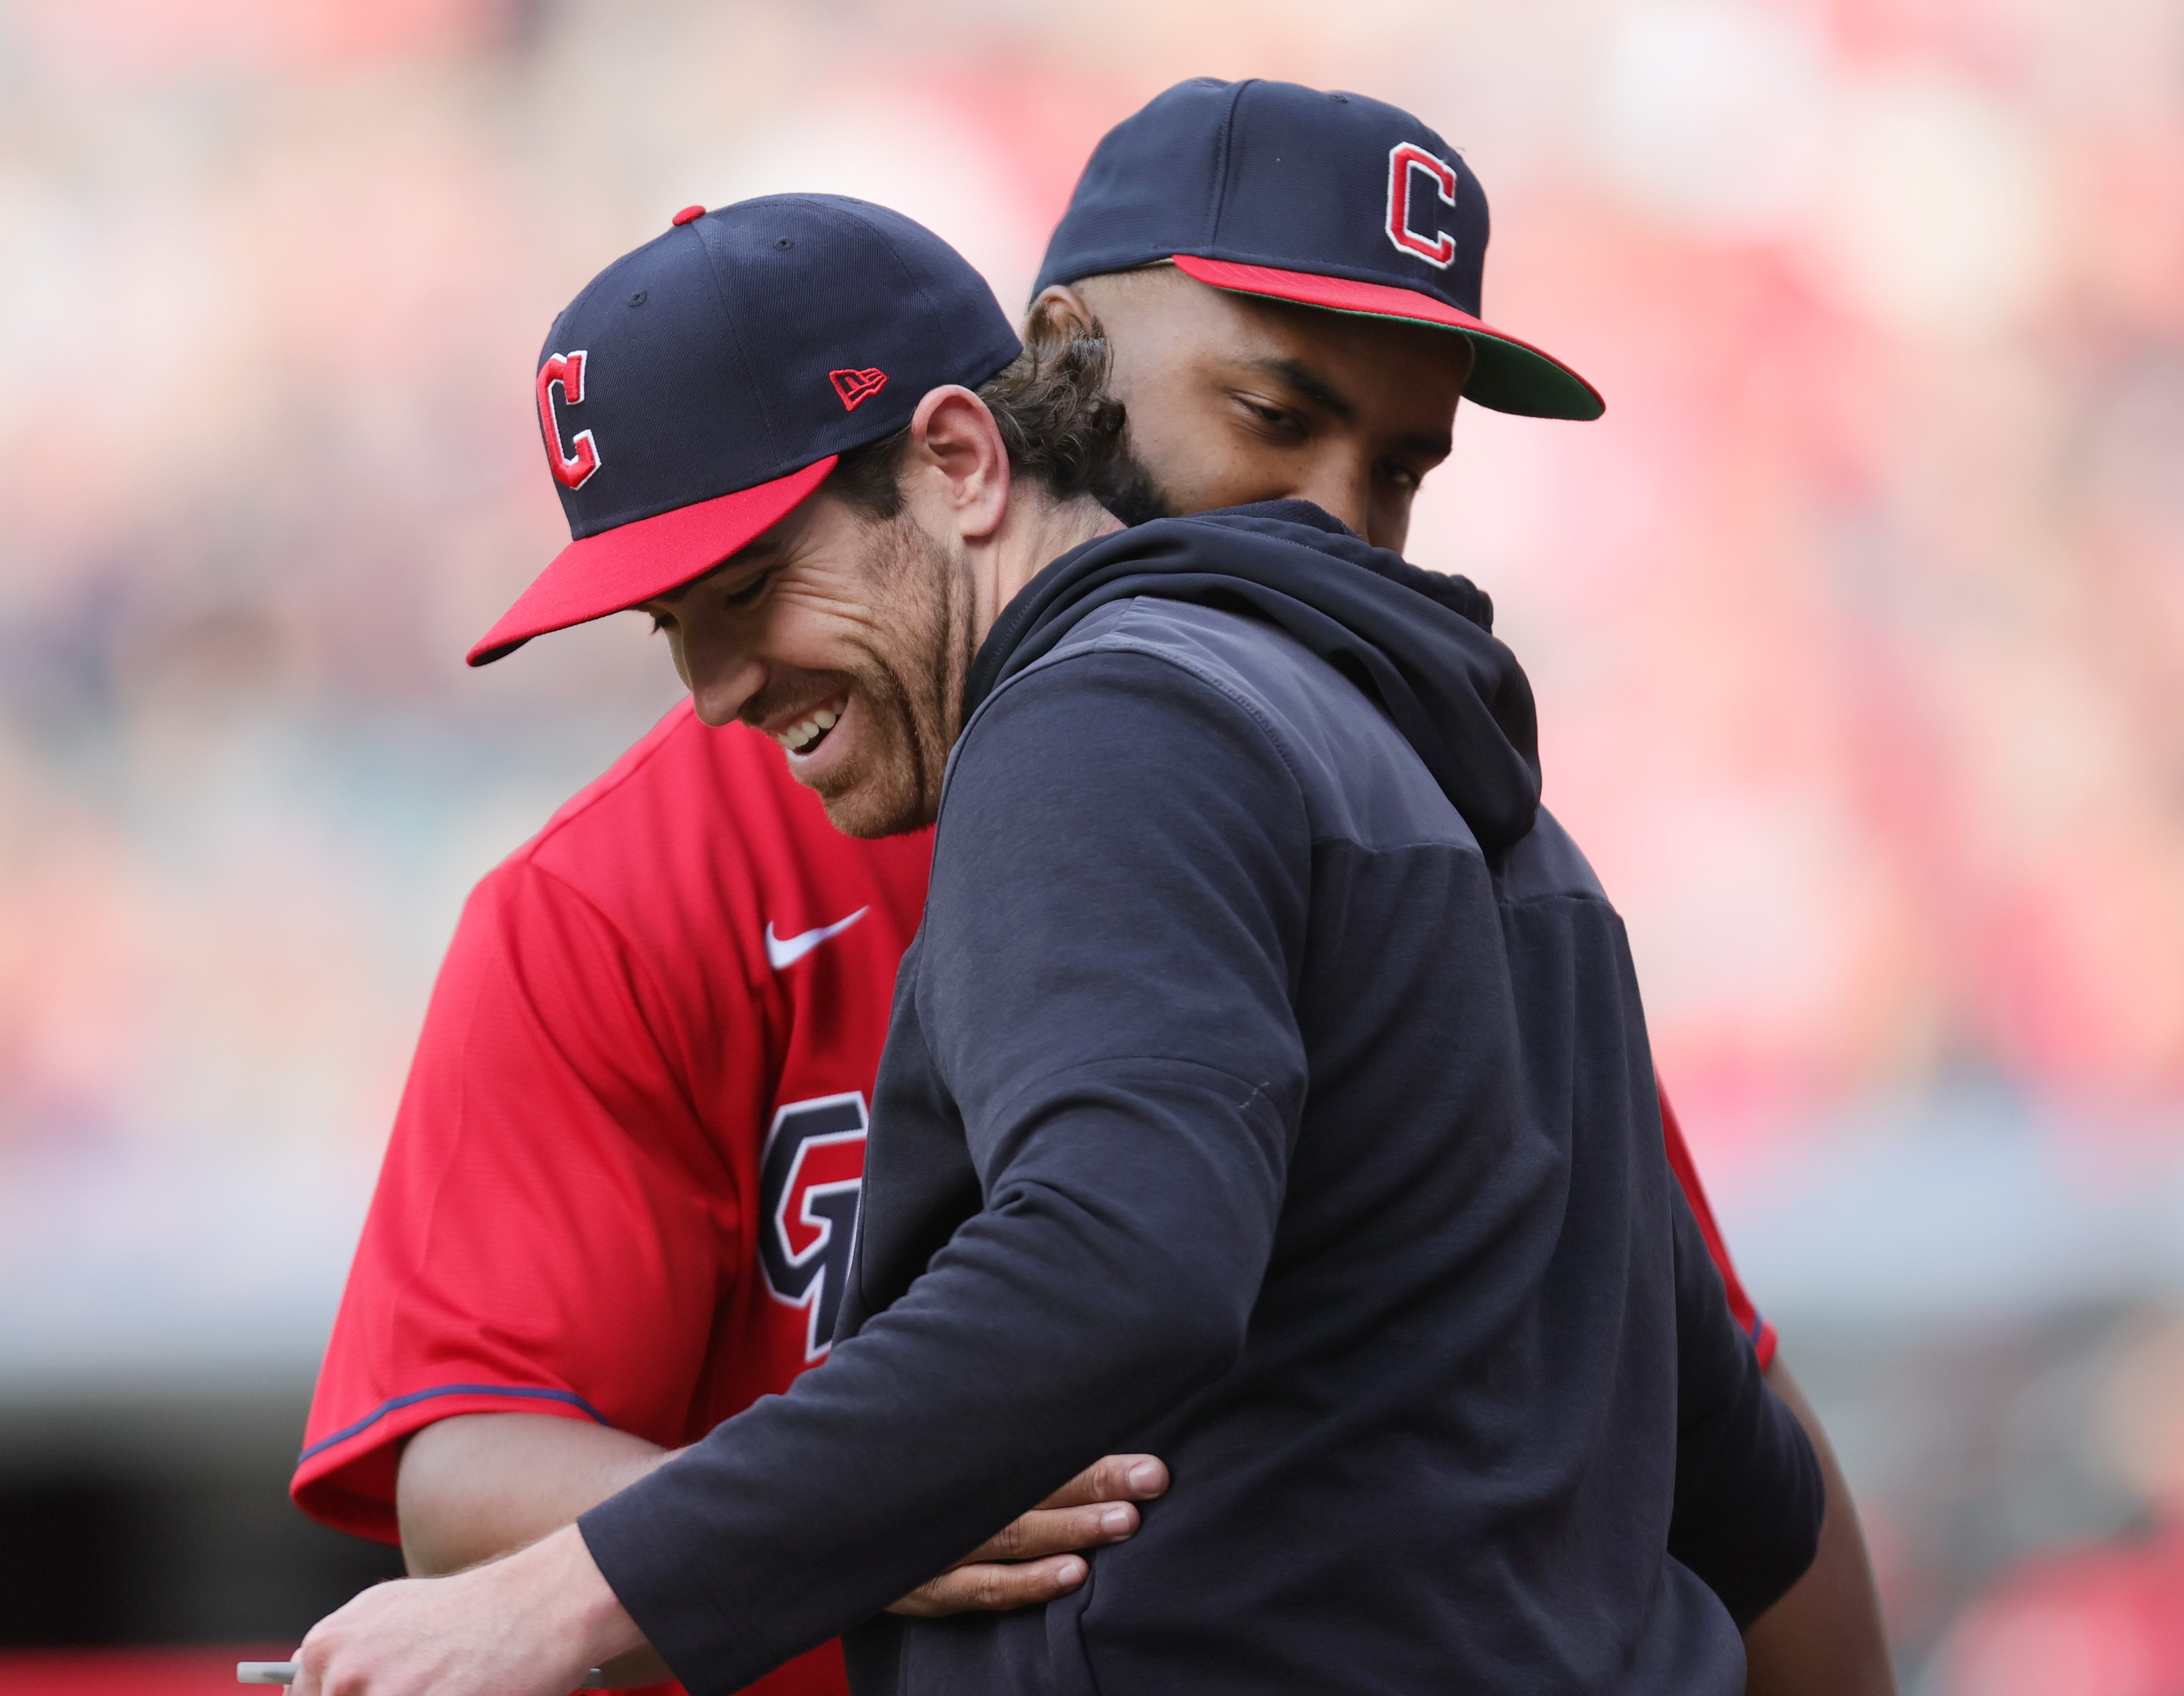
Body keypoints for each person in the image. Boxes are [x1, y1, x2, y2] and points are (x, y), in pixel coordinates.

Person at [292, 79, 1890, 1696]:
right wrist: (871, 1501)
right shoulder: (1478, 808)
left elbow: (1125, 1263)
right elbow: (1729, 1463)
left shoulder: (1124, 716)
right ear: (1067, 367)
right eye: (1276, 414)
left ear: (967, 456)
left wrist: (583, 1594)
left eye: (1399, 465)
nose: (1335, 518)